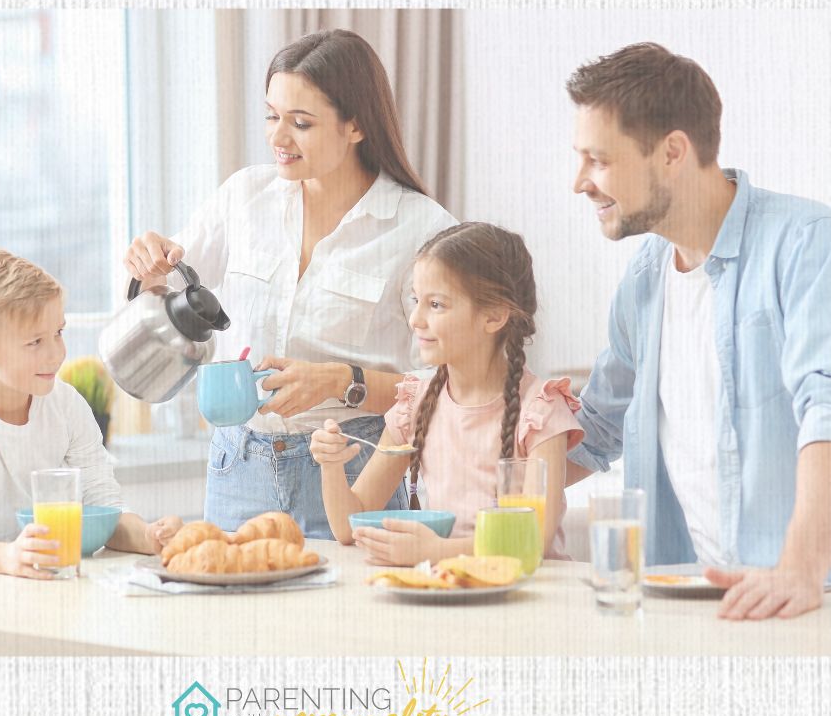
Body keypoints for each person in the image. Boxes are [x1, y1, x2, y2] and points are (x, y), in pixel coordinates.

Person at [124, 29, 456, 537]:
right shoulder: (244, 197)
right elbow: (166, 300)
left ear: (356, 126)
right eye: (272, 116)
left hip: (351, 467)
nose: (278, 138)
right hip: (238, 464)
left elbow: (449, 386)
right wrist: (148, 271)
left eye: (301, 123)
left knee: (350, 616)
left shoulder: (420, 229)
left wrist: (343, 382)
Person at [567, 42, 831, 619]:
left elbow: (826, 405)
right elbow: (592, 430)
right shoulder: (644, 280)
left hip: (809, 600)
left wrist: (802, 568)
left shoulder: (807, 243)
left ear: (672, 152)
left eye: (599, 159)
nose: (579, 182)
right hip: (694, 599)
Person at [310, 222, 583, 564]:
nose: (415, 319)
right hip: (452, 590)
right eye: (415, 300)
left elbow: (533, 540)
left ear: (495, 316)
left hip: (530, 599)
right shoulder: (417, 403)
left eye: (436, 305)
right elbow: (348, 527)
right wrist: (331, 466)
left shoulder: (539, 411)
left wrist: (435, 551)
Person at [0, 250, 180, 575]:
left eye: (58, 333)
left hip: (28, 585)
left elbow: (105, 508)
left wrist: (151, 537)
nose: (56, 354)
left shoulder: (66, 406)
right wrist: (6, 558)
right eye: (34, 342)